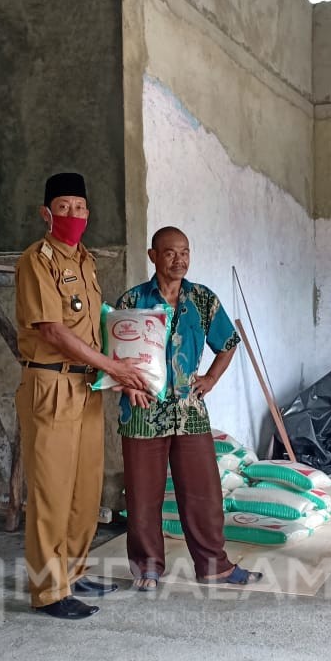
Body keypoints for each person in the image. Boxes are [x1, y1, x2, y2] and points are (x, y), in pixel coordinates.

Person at [14, 172, 149, 620]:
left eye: (79, 206)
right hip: (51, 384)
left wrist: (127, 372)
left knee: (85, 491)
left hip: (87, 388)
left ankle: (72, 572)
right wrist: (114, 367)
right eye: (63, 206)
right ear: (46, 213)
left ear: (88, 213)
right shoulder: (37, 261)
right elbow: (52, 330)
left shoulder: (86, 263)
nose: (73, 215)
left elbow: (96, 330)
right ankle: (49, 591)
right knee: (51, 493)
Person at [115, 226, 261, 590]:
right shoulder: (131, 302)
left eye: (185, 252)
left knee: (203, 492)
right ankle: (147, 568)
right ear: (153, 256)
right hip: (143, 411)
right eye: (169, 252)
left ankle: (215, 567)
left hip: (189, 411)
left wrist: (210, 379)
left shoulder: (202, 299)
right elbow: (113, 355)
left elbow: (228, 342)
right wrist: (124, 383)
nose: (179, 259)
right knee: (143, 495)